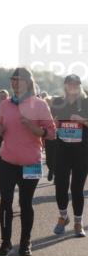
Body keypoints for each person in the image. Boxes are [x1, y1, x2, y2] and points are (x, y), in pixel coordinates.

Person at [0, 67, 56, 256]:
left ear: (28, 82)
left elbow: (52, 133)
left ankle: (25, 242)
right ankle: (5, 243)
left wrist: (34, 128)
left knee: (25, 203)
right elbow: (0, 127)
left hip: (31, 162)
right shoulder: (5, 104)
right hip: (7, 160)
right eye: (12, 79)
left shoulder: (39, 105)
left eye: (18, 79)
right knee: (5, 201)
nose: (14, 82)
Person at [49, 74, 88, 237]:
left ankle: (78, 223)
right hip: (62, 150)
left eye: (76, 84)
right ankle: (63, 217)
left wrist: (82, 120)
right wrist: (54, 123)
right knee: (61, 186)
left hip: (82, 151)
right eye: (70, 84)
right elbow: (50, 123)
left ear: (79, 85)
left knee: (77, 188)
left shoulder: (86, 102)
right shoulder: (57, 102)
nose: (73, 86)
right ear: (65, 86)